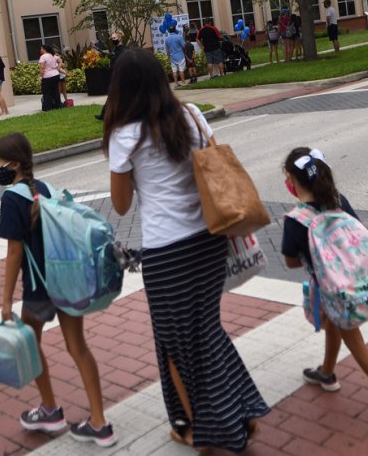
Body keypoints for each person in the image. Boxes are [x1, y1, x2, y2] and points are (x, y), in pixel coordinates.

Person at [104, 48, 269, 452]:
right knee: (204, 331)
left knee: (180, 345)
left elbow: (121, 205)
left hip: (166, 254)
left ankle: (202, 429)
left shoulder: (126, 136)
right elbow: (215, 170)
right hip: (208, 242)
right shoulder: (192, 115)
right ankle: (235, 411)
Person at [0, 132, 117, 447]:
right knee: (79, 348)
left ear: (14, 164)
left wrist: (6, 301)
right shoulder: (43, 189)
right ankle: (100, 423)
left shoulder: (11, 199)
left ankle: (50, 410)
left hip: (37, 290)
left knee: (31, 346)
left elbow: (14, 253)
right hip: (67, 282)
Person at [279, 147, 368, 424]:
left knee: (354, 340)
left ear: (291, 179)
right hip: (356, 281)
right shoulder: (339, 202)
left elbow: (290, 261)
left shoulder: (296, 221)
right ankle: (327, 373)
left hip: (336, 291)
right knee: (334, 325)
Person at [95, 32, 127, 121]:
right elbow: (112, 57)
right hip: (115, 76)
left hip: (121, 76)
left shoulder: (123, 49)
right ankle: (104, 114)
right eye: (112, 38)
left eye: (114, 38)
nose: (113, 40)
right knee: (113, 95)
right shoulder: (115, 49)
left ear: (119, 38)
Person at [38, 44, 62, 112]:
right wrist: (58, 69)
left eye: (41, 49)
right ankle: (58, 106)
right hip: (56, 75)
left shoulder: (43, 57)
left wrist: (40, 77)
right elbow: (60, 60)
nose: (40, 50)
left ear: (44, 49)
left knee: (46, 92)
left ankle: (47, 108)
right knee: (56, 91)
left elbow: (42, 68)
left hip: (47, 77)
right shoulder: (52, 55)